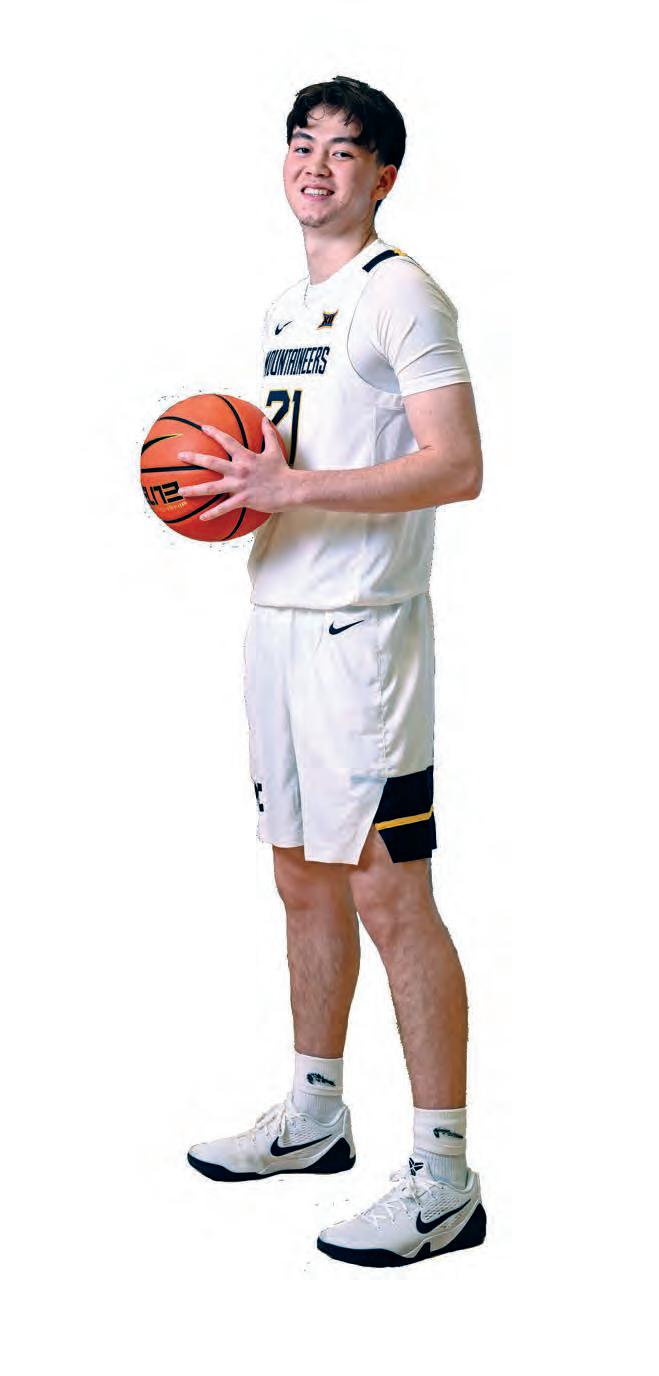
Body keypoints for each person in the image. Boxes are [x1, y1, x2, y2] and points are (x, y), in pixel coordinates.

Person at [180, 75, 485, 1268]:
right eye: (300, 144)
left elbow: (455, 463)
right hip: (277, 621)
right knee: (299, 879)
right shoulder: (284, 309)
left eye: (342, 150)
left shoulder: (400, 292)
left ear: (381, 176)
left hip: (363, 639)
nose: (314, 165)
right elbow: (285, 468)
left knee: (387, 890)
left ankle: (443, 1176)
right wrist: (228, 494)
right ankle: (314, 1113)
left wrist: (290, 486)